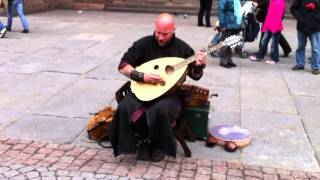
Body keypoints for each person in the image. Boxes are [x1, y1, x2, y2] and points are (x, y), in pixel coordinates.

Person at [109, 13, 207, 162]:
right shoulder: (143, 44)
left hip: (170, 94)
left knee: (160, 109)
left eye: (165, 34)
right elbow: (123, 66)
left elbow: (195, 75)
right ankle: (142, 142)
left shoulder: (183, 49)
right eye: (158, 32)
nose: (160, 37)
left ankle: (158, 145)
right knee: (125, 106)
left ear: (173, 29)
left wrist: (199, 66)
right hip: (144, 89)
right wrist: (142, 76)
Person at [291, 0, 320, 75]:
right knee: (300, 46)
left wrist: (316, 18)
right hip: (302, 25)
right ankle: (300, 64)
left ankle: (316, 67)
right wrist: (300, 17)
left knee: (315, 48)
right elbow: (293, 8)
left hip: (315, 27)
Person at [217, 0, 243, 68]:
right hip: (227, 23)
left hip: (234, 23)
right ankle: (223, 60)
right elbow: (220, 10)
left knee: (230, 42)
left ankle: (228, 59)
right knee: (225, 43)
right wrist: (222, 24)